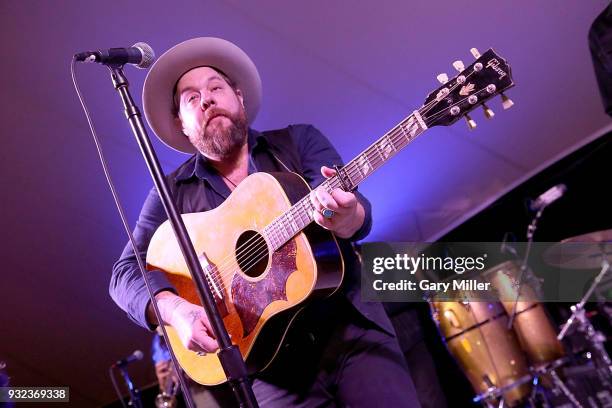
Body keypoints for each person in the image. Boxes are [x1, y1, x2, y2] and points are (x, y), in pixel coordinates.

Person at [110, 37, 420, 407]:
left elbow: (355, 213)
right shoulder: (170, 194)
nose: (207, 99)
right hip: (271, 372)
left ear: (238, 96)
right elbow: (124, 273)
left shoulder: (297, 142)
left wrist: (346, 215)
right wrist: (178, 311)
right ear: (183, 124)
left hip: (351, 331)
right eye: (192, 98)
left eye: (216, 87)